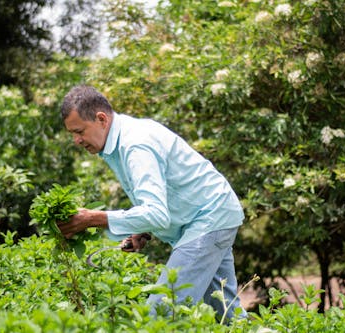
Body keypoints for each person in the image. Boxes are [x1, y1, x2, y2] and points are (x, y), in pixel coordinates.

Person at [57, 84, 247, 320]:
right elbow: (158, 198)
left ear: (101, 119)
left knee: (161, 312)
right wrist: (142, 229)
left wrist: (92, 219)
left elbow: (156, 213)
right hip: (211, 214)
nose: (76, 140)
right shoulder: (119, 141)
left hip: (209, 218)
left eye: (80, 131)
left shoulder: (135, 144)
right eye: (72, 134)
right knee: (228, 315)